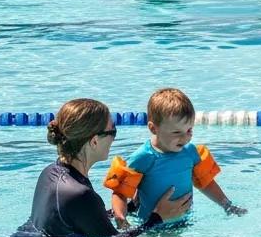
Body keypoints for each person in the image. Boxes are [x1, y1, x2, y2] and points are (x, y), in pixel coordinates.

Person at [7, 98, 191, 237]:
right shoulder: (79, 194)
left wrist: (133, 206)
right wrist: (158, 217)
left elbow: (82, 218)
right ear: (94, 141)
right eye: (113, 132)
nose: (113, 139)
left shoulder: (52, 171)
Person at [105, 87, 245, 227]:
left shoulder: (191, 153)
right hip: (150, 225)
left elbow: (206, 183)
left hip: (183, 222)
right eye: (177, 132)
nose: (185, 138)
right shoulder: (144, 157)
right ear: (153, 128)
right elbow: (121, 192)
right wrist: (121, 219)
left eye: (189, 130)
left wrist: (227, 205)